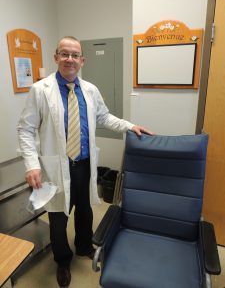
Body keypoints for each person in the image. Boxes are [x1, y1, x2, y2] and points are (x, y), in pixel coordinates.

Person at [17, 36, 154, 287]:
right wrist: (32, 164)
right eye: (65, 54)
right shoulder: (40, 90)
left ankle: (83, 247)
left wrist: (130, 126)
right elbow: (26, 129)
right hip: (56, 167)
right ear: (56, 57)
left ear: (82, 60)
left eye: (75, 55)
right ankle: (62, 259)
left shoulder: (89, 89)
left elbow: (104, 116)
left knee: (86, 210)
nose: (70, 59)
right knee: (58, 217)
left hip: (84, 163)